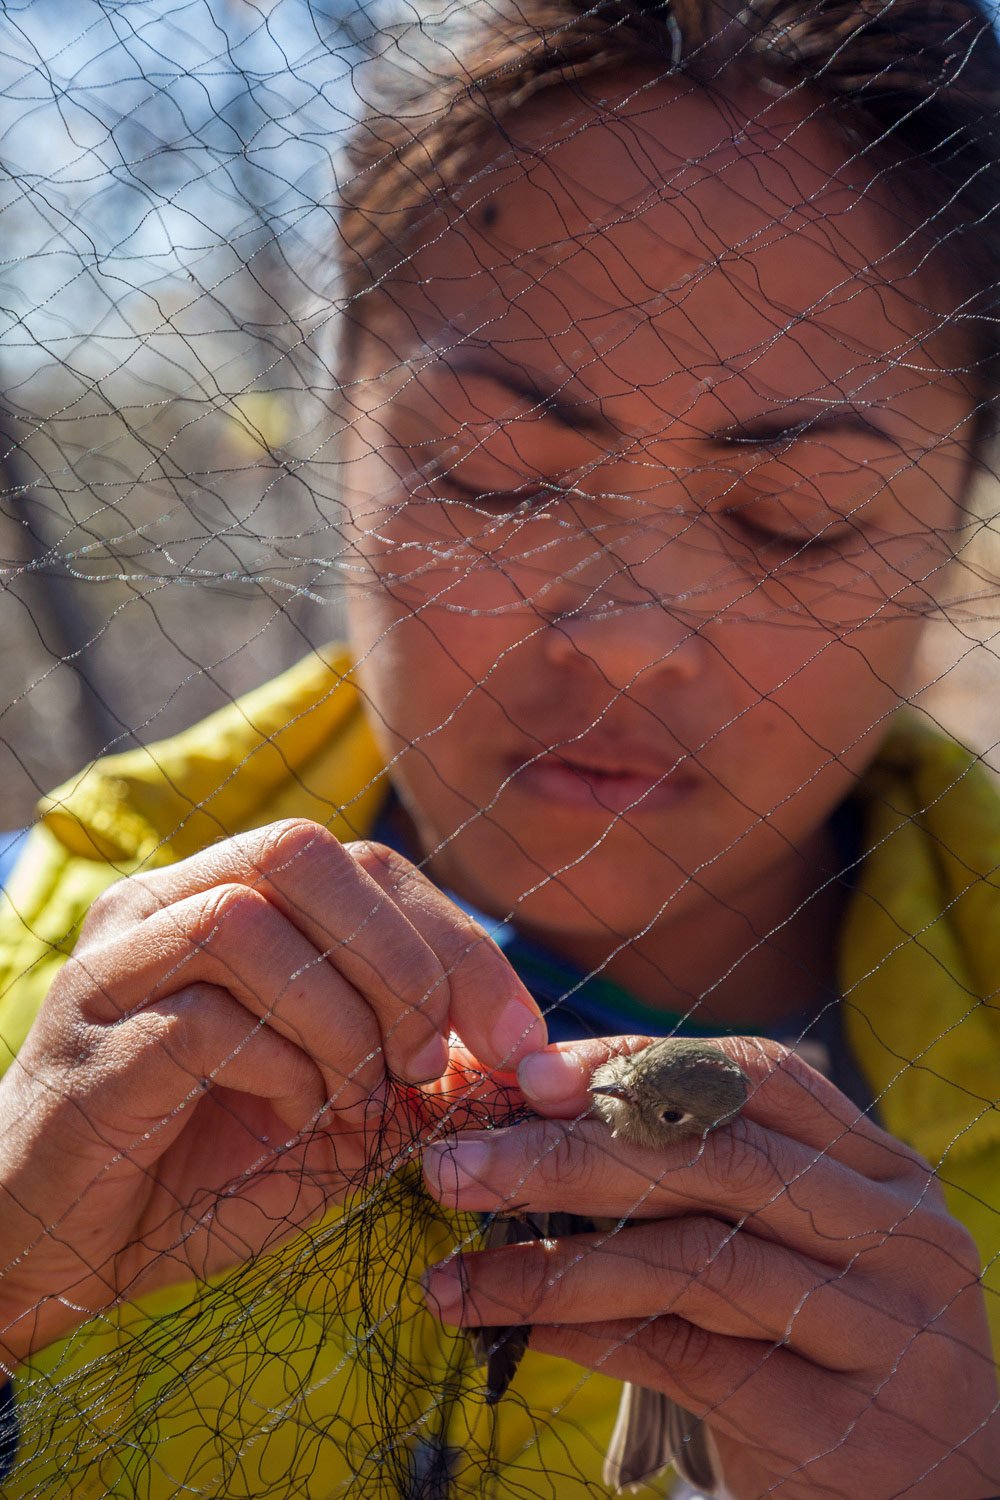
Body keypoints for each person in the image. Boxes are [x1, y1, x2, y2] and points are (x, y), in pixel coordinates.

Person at [0, 0, 999, 1494]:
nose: (629, 634)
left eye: (790, 517)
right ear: (342, 427)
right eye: (498, 477)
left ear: (953, 521)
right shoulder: (39, 963)